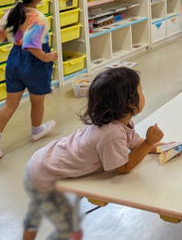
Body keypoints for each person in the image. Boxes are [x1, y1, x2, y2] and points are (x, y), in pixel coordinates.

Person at [22, 67, 165, 240]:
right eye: (140, 89)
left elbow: (136, 145)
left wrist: (164, 148)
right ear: (129, 102)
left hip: (49, 156)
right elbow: (123, 167)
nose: (143, 92)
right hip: (45, 169)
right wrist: (149, 143)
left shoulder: (121, 121)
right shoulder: (111, 133)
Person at [0, 0, 58, 159]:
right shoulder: (38, 18)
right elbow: (32, 45)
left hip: (14, 60)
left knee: (10, 104)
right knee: (37, 100)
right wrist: (46, 57)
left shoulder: (10, 13)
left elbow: (1, 36)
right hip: (34, 62)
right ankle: (36, 129)